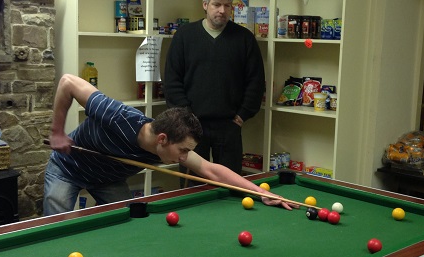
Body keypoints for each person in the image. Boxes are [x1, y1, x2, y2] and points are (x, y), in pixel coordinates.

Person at [44, 74, 291, 215]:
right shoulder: (117, 116)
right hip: (68, 167)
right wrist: (57, 132)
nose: (184, 157)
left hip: (107, 179)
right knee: (56, 222)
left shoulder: (167, 147)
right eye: (183, 151)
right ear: (162, 139)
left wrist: (261, 193)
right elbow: (67, 82)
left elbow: (211, 170)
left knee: (129, 219)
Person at [164, 0, 265, 175]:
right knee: (192, 183)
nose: (222, 10)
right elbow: (172, 80)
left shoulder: (244, 38)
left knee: (230, 182)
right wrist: (185, 116)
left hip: (230, 125)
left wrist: (243, 114)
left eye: (227, 5)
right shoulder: (184, 36)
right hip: (191, 126)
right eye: (216, 4)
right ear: (205, 5)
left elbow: (256, 81)